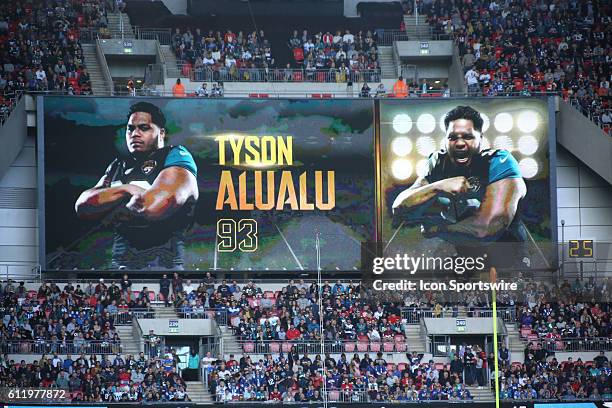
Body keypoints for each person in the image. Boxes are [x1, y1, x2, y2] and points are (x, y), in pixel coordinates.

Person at [392, 105, 530, 270]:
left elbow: (486, 229)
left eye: (467, 137)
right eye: (452, 137)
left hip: (508, 262)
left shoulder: (499, 162)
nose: (459, 143)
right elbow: (400, 208)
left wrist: (437, 229)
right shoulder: (438, 162)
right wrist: (438, 187)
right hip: (466, 261)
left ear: (481, 137)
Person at [75, 101, 199, 270]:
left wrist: (111, 202)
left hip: (164, 264)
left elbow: (153, 206)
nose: (135, 134)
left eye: (144, 128)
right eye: (131, 129)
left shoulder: (175, 155)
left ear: (161, 133)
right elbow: (84, 206)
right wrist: (129, 190)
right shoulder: (118, 165)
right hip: (121, 263)